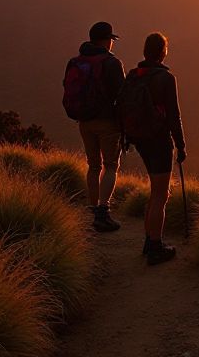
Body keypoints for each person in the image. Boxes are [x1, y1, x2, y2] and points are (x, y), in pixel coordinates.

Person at [120, 31, 185, 266]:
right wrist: (181, 145)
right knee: (161, 195)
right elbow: (174, 117)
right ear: (163, 52)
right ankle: (156, 247)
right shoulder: (166, 79)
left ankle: (150, 240)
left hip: (139, 139)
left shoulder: (134, 76)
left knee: (155, 192)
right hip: (159, 141)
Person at [65, 21, 125, 233]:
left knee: (93, 165)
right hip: (107, 122)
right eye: (111, 40)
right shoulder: (111, 63)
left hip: (84, 121)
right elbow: (123, 96)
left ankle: (93, 208)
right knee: (110, 166)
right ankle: (103, 211)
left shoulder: (76, 61)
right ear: (106, 40)